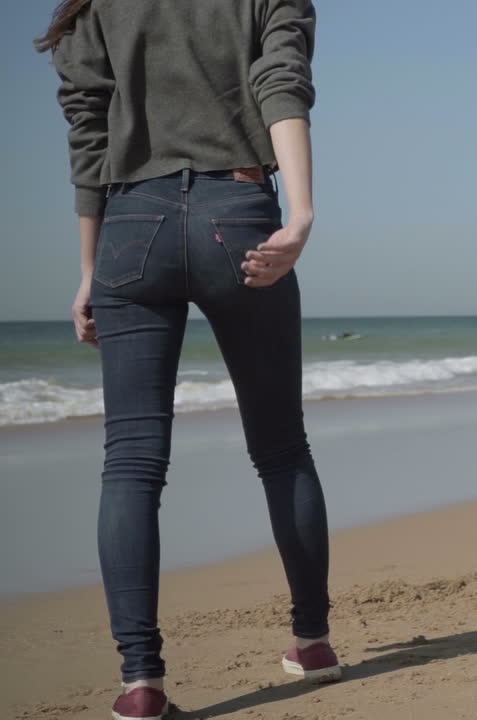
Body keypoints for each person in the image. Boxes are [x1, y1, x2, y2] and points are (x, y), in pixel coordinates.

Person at [37, 1, 337, 717]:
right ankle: (313, 641)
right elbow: (281, 83)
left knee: (132, 462)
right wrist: (300, 214)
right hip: (238, 213)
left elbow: (89, 136)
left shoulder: (95, 8)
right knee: (281, 447)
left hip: (128, 225)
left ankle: (142, 683)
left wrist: (87, 269)